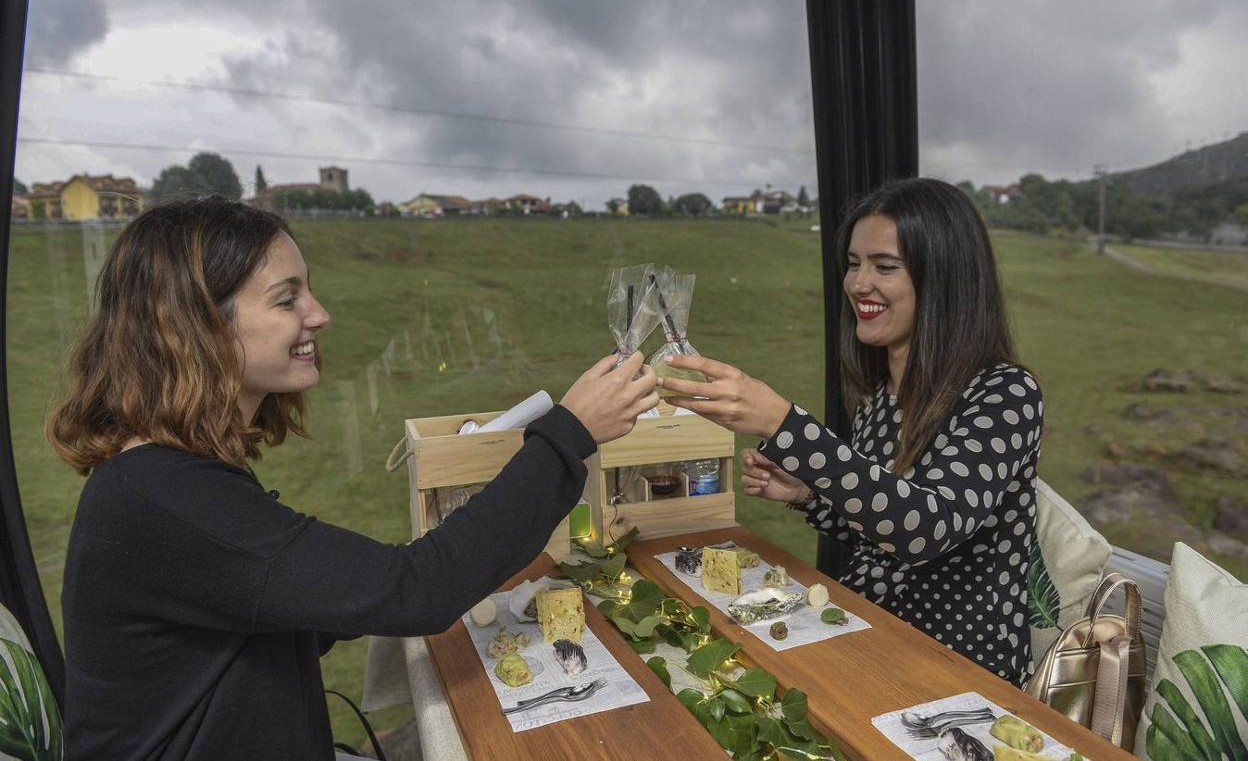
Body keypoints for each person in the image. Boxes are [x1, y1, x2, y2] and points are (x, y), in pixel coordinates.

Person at [47, 196, 659, 760]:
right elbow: (415, 592)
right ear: (197, 325)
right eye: (287, 299)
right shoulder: (167, 499)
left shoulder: (162, 478)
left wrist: (359, 581)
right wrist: (571, 432)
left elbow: (289, 601)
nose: (319, 313)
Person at [659, 178, 1043, 685]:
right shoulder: (882, 398)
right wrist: (808, 495)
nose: (859, 284)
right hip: (865, 634)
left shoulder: (1006, 394)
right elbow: (877, 527)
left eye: (884, 266)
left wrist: (783, 424)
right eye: (854, 263)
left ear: (945, 279)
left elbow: (927, 529)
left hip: (954, 668)